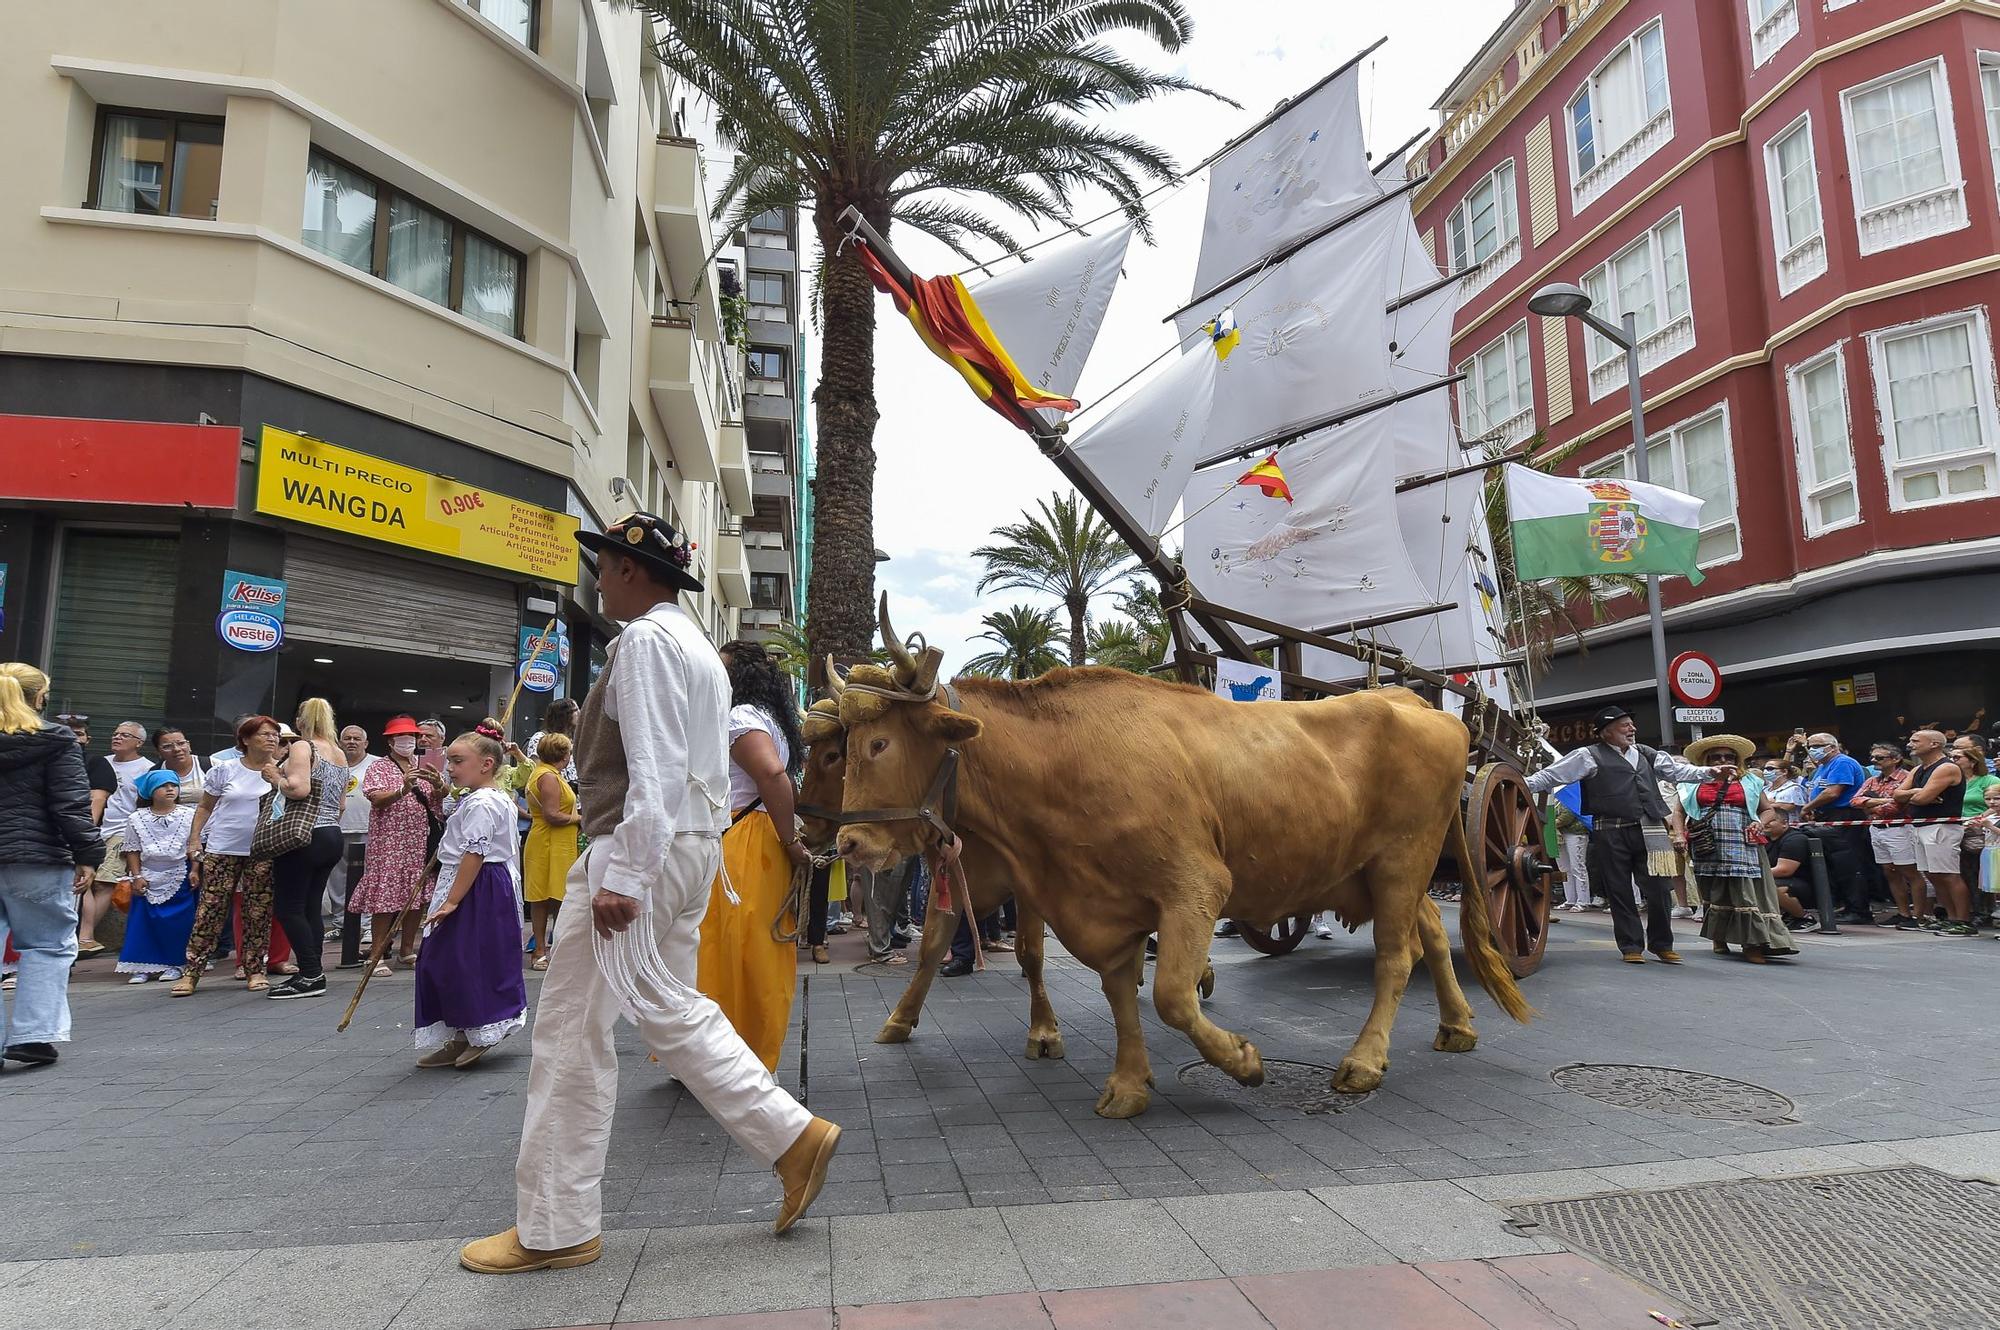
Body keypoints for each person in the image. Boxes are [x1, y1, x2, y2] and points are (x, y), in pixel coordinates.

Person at [462, 511, 836, 1276]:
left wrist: (625, 873)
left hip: (644, 851)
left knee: (574, 1029)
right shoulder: (694, 647)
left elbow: (657, 767)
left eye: (604, 562)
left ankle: (556, 1227)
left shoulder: (645, 643)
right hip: (691, 850)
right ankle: (788, 1136)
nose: (597, 576)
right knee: (663, 1005)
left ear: (632, 570)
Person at [698, 640, 812, 1070]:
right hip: (759, 839)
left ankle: (724, 1054)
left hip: (743, 840)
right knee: (755, 947)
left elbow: (771, 774)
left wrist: (788, 839)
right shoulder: (771, 720)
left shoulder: (739, 717)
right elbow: (782, 780)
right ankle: (746, 1048)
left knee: (729, 945)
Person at [1526, 706, 1710, 964]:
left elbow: (1680, 772)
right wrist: (1522, 783)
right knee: (1620, 890)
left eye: (1631, 724)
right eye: (1624, 725)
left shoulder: (1647, 753)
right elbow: (1552, 775)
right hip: (1610, 831)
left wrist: (1709, 773)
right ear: (1606, 732)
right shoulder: (1587, 756)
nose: (1632, 729)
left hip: (1650, 830)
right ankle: (1631, 946)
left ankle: (1661, 944)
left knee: (1658, 890)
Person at [0, 665, 103, 1067]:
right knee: (46, 945)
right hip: (37, 857)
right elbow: (71, 805)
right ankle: (33, 1035)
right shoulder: (55, 739)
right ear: (37, 697)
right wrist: (88, 854)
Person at [414, 725, 530, 1068]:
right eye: (450, 760)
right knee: (450, 959)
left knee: (469, 960)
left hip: (477, 886)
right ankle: (462, 1031)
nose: (451, 767)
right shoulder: (479, 798)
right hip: (466, 880)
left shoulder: (484, 802)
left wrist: (452, 900)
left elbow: (474, 854)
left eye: (458, 761)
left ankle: (480, 1031)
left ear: (486, 764)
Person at [173, 716, 284, 995]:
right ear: (245, 739)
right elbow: (204, 807)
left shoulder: (281, 771)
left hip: (262, 849)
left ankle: (255, 969)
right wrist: (194, 839)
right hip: (223, 848)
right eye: (264, 734)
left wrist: (277, 779)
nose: (271, 739)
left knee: (257, 912)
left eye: (274, 734)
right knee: (210, 910)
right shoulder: (225, 770)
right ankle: (191, 971)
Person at [1674, 735, 1797, 964]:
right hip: (1707, 841)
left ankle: (1752, 944)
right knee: (1713, 889)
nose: (1722, 760)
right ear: (1706, 760)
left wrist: (1760, 823)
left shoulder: (1750, 780)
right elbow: (1679, 812)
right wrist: (1680, 834)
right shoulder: (1692, 782)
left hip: (1743, 839)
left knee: (1744, 889)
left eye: (1728, 756)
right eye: (1716, 757)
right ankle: (1718, 937)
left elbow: (1767, 810)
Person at [349, 715, 445, 974]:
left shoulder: (423, 763)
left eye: (412, 737)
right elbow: (376, 798)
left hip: (418, 841)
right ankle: (377, 954)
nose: (408, 742)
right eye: (401, 738)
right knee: (386, 898)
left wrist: (438, 784)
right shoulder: (379, 767)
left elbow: (438, 801)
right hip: (388, 843)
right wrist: (402, 789)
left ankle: (406, 950)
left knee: (416, 896)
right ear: (390, 742)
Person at [265, 699, 347, 1000]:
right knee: (311, 904)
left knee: (288, 907)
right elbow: (340, 803)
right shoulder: (338, 753)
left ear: (301, 720)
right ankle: (312, 969)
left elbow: (298, 788)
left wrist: (276, 777)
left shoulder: (303, 747)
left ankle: (311, 973)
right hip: (331, 833)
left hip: (304, 833)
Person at [116, 769, 197, 983]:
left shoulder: (189, 814)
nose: (170, 789)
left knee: (179, 922)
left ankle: (174, 963)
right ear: (151, 791)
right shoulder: (136, 818)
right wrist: (137, 875)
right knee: (143, 922)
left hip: (180, 873)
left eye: (173, 785)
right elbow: (132, 848)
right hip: (148, 874)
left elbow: (194, 844)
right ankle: (142, 965)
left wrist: (196, 869)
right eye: (163, 785)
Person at [1894, 729, 1973, 935]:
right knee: (1933, 875)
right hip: (1921, 825)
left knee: (1948, 874)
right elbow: (1897, 795)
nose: (1910, 744)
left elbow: (1922, 800)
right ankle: (1951, 917)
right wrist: (1914, 792)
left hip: (1942, 826)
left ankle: (1963, 920)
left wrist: (1914, 795)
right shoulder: (1919, 769)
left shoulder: (1946, 767)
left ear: (1935, 744)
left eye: (1916, 740)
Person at [1799, 732, 1875, 923]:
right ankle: (1846, 905)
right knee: (1836, 865)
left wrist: (1808, 807)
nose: (1813, 749)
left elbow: (1833, 792)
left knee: (1849, 864)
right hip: (1827, 816)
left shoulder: (1842, 762)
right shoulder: (1823, 767)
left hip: (1844, 816)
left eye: (1817, 746)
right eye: (1810, 746)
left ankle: (1859, 910)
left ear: (1832, 747)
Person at [522, 732, 580, 969]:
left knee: (552, 897)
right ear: (564, 755)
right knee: (546, 898)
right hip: (550, 843)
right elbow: (553, 814)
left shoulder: (546, 773)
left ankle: (549, 948)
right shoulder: (548, 777)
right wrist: (579, 818)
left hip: (553, 843)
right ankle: (541, 951)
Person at [1850, 742, 1924, 929]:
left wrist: (1871, 804)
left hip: (1900, 828)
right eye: (1873, 757)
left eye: (1880, 758)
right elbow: (1855, 801)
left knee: (1910, 872)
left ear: (1896, 759)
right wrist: (1882, 801)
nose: (1874, 760)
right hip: (1877, 829)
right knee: (1889, 871)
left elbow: (1896, 807)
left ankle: (1920, 915)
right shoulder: (1873, 780)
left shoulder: (1906, 778)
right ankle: (1903, 913)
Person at [331, 725, 378, 968]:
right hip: (337, 827)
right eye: (347, 738)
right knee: (337, 879)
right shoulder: (333, 762)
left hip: (368, 828)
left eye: (357, 739)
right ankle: (341, 923)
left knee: (368, 879)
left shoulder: (376, 764)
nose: (351, 742)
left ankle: (367, 926)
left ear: (366, 743)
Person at [153, 728, 206, 806]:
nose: (176, 749)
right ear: (158, 751)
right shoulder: (154, 773)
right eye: (167, 746)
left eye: (181, 743)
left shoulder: (212, 765)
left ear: (189, 746)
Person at [1761, 758, 1806, 826]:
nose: (1765, 771)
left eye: (1770, 768)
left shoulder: (1794, 788)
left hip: (1789, 827)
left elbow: (1789, 806)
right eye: (1764, 768)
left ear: (1784, 771)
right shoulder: (1764, 789)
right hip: (1767, 827)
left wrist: (1767, 804)